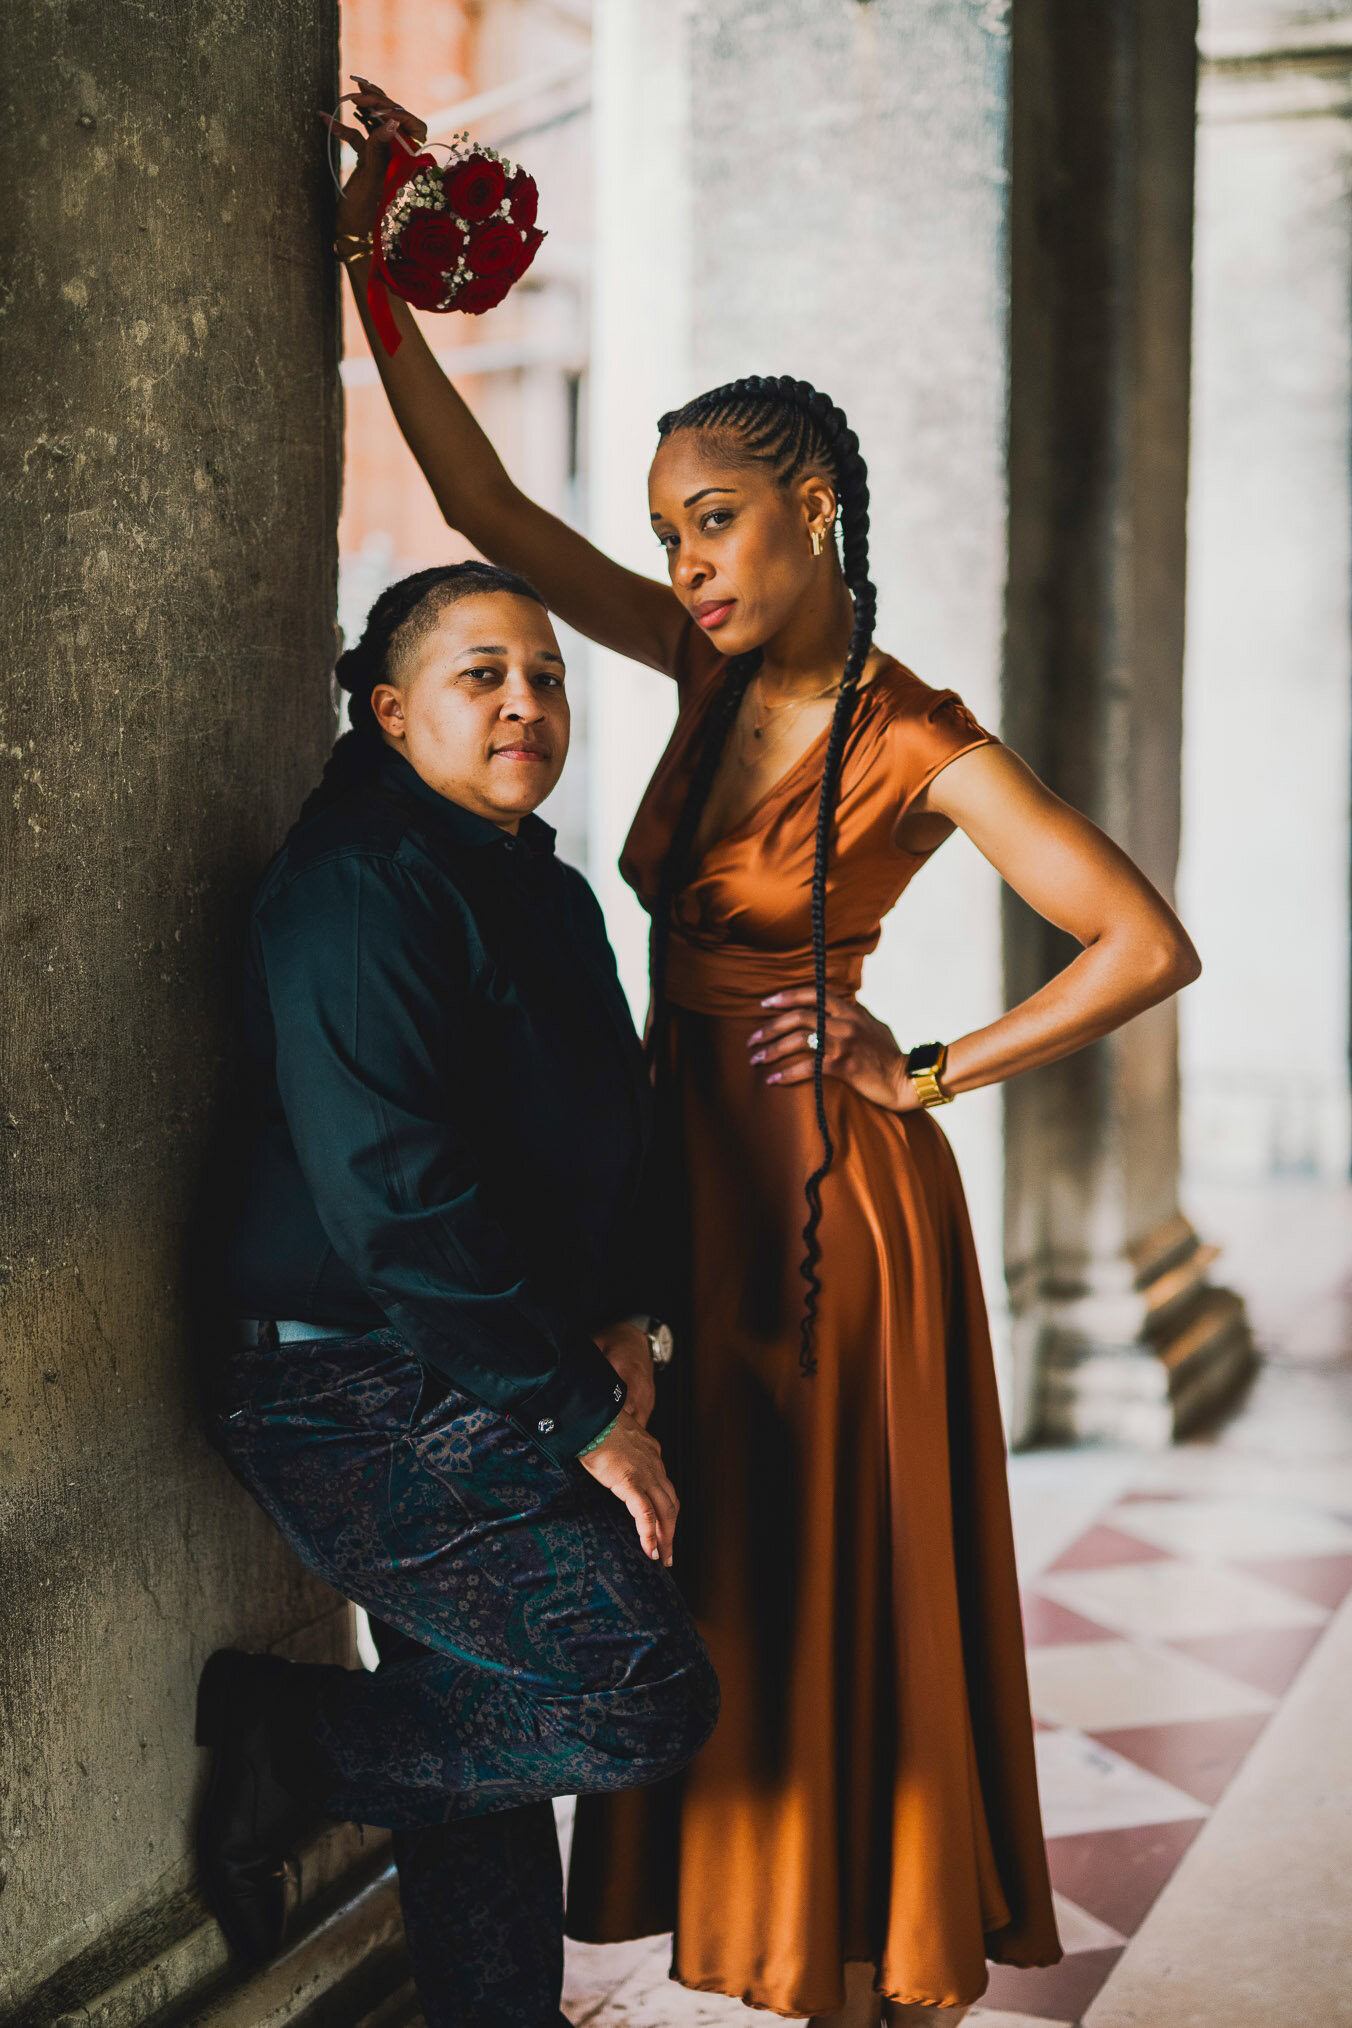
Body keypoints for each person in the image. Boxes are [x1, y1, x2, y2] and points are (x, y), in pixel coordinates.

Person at [324, 91, 1202, 2025]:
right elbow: (489, 517)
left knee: (825, 1574)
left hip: (832, 1209)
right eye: (669, 536)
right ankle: (767, 1930)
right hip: (683, 1189)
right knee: (710, 1564)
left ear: (813, 503)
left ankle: (867, 1959)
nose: (689, 566)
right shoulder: (702, 669)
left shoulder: (921, 736)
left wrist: (934, 1066)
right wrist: (378, 280)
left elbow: (1146, 943)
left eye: (713, 521)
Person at [200, 560, 719, 2028]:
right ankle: (289, 1743)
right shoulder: (359, 883)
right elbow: (394, 1196)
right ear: (388, 711)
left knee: (478, 1756)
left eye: (546, 675)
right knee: (636, 1693)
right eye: (480, 674)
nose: (524, 702)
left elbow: (613, 1133)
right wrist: (581, 1415)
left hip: (476, 1361)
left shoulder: (542, 888)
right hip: (341, 1384)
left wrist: (633, 1319)